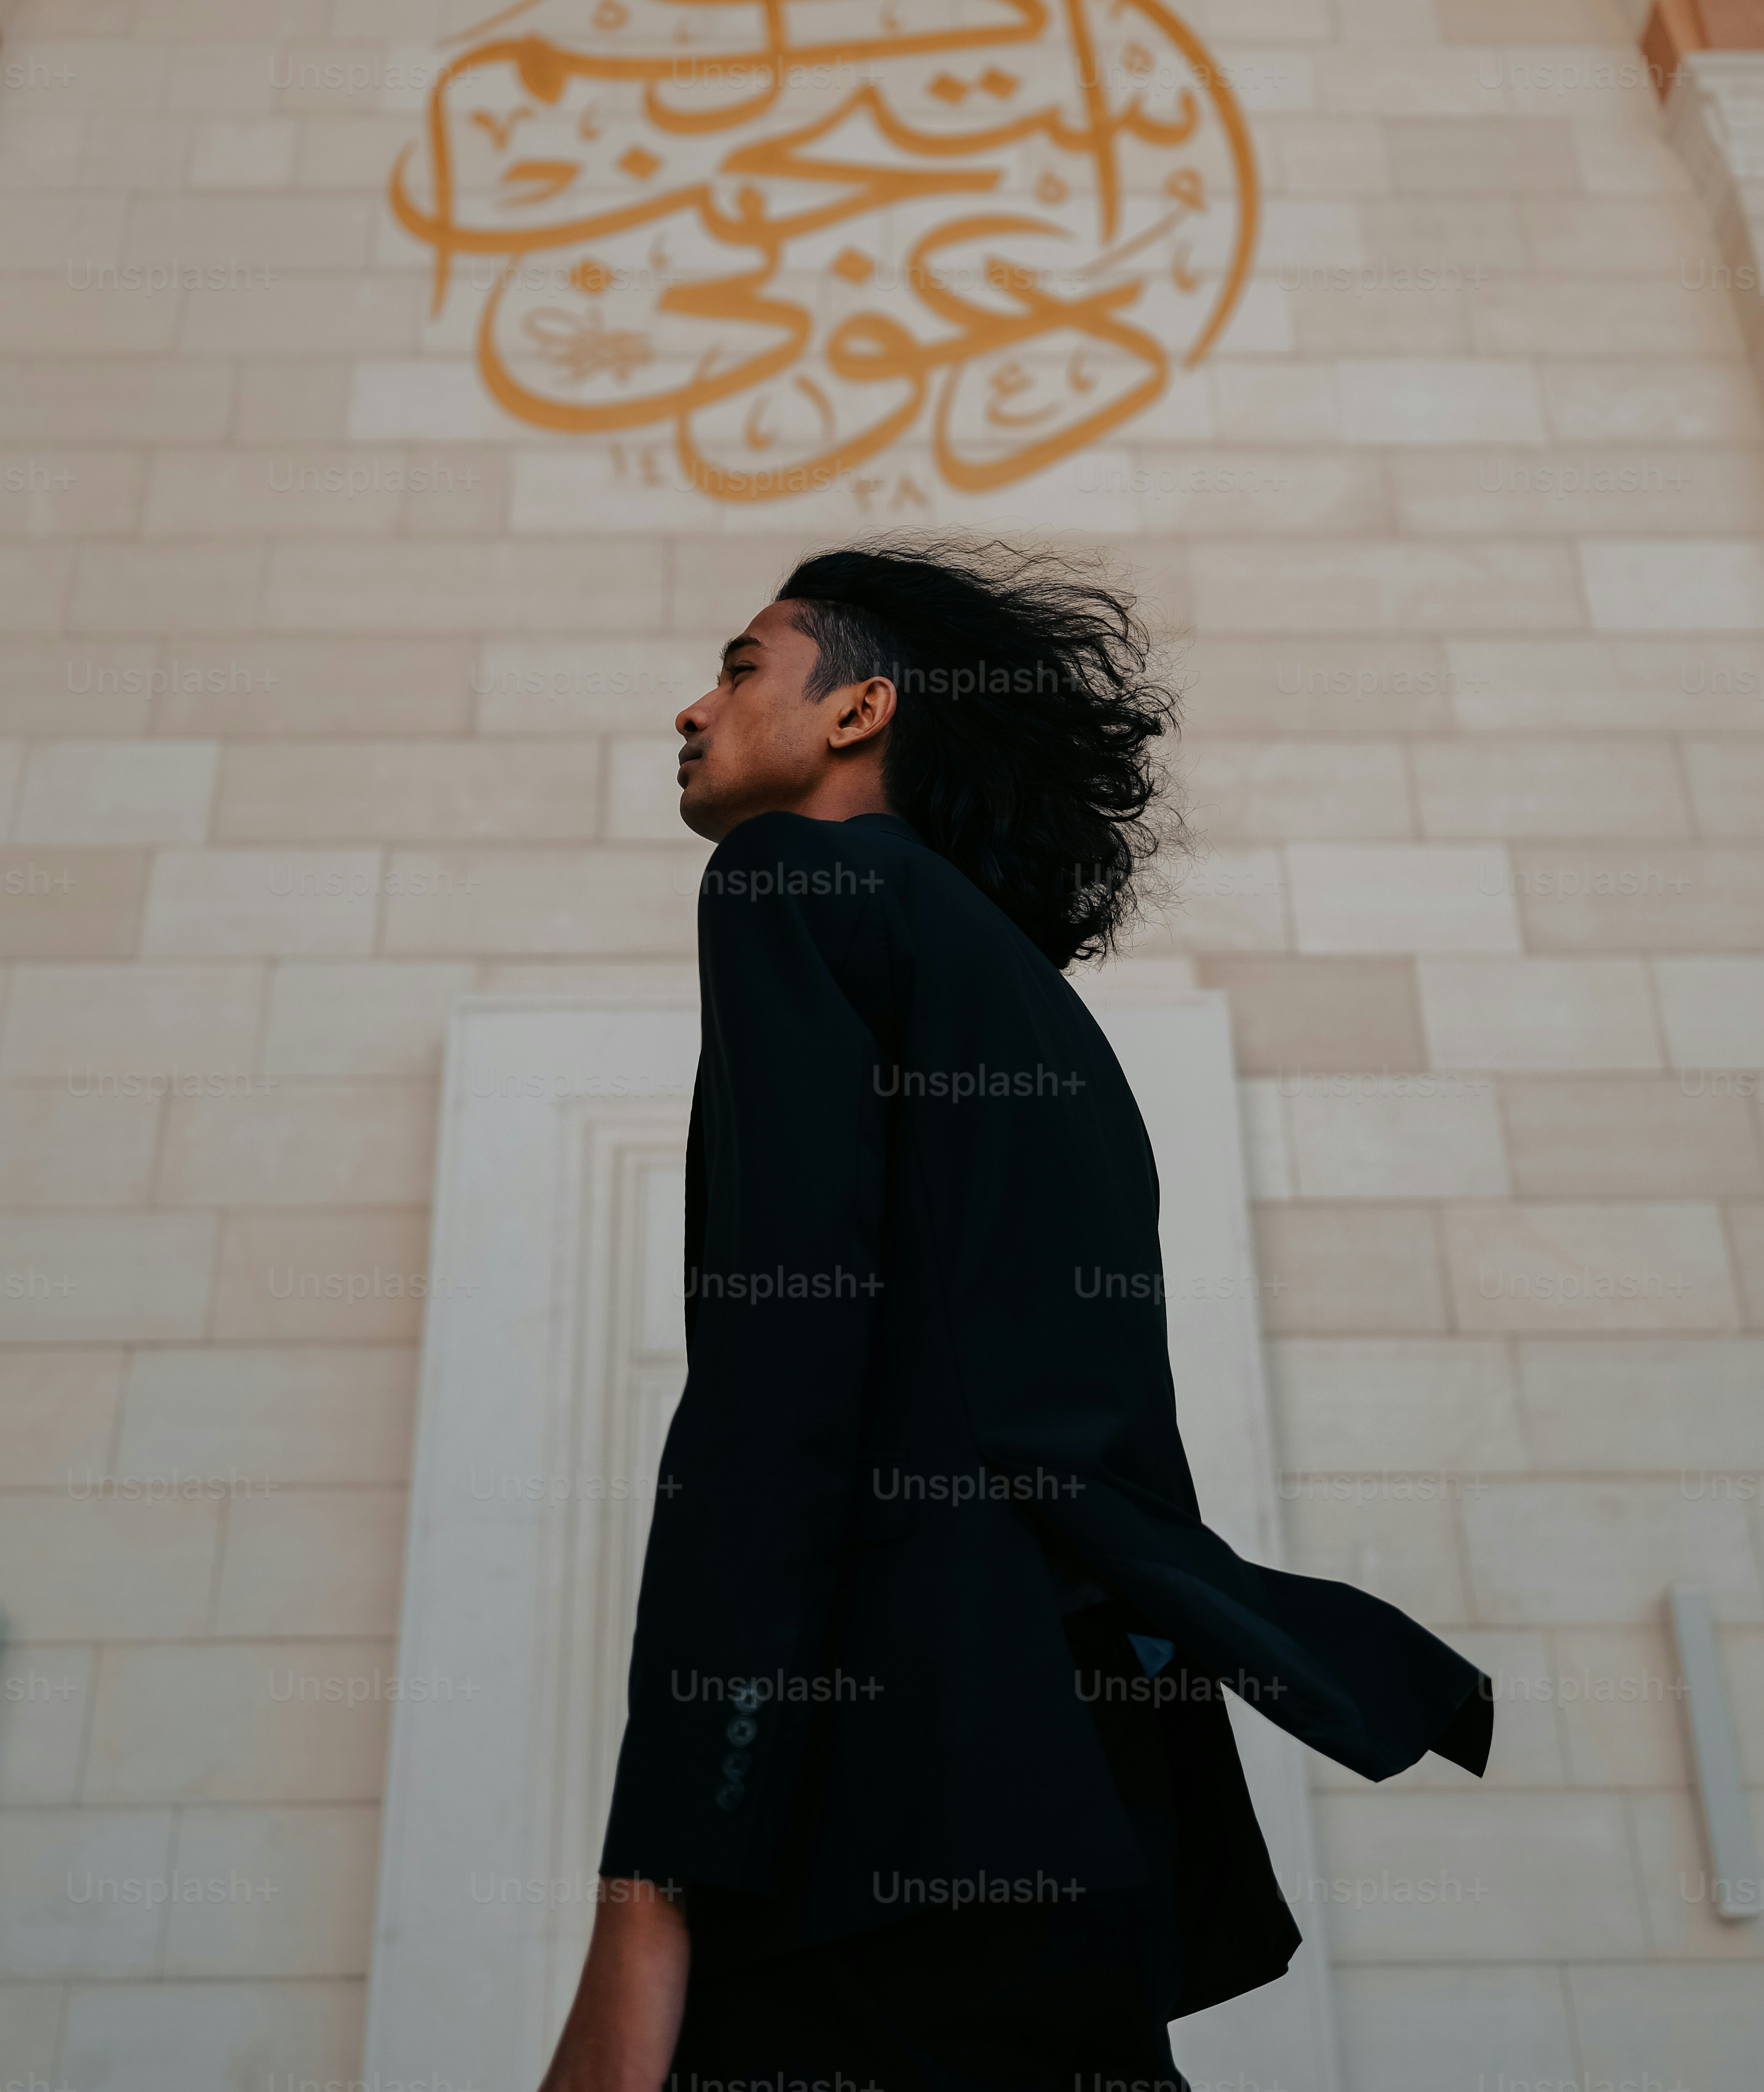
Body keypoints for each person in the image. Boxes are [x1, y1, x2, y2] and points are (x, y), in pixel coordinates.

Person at [540, 539, 1492, 2092]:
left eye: (736, 666)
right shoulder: (1044, 1018)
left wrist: (653, 1883)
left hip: (879, 1823)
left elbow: (775, 1405)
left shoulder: (792, 883)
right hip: (1080, 1811)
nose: (689, 710)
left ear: (859, 710)